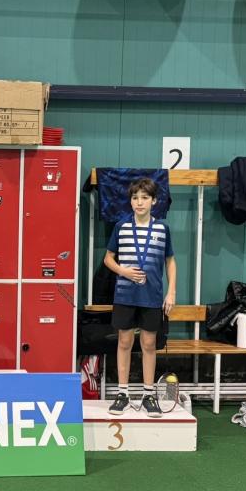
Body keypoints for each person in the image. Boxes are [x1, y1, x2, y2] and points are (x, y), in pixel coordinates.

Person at [103, 178, 176, 417]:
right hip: (125, 295)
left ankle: (148, 395)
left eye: (145, 198)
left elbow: (170, 261)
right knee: (124, 342)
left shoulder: (162, 229)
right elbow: (108, 258)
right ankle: (122, 394)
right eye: (135, 198)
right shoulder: (121, 227)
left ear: (154, 201)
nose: (139, 202)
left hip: (152, 297)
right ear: (130, 201)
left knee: (148, 344)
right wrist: (123, 271)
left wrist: (171, 292)